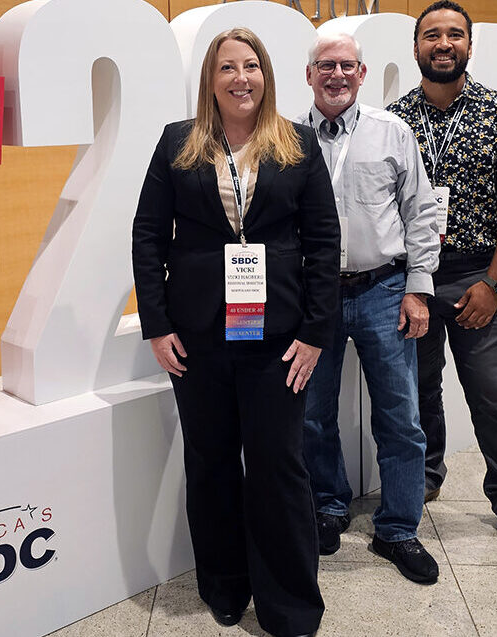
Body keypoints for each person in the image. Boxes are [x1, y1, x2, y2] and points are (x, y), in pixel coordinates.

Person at [132, 27, 339, 637]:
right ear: (210, 80)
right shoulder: (178, 143)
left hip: (278, 339)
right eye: (228, 68)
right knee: (212, 460)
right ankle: (223, 585)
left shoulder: (297, 144)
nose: (240, 78)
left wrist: (315, 332)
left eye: (251, 66)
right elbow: (147, 237)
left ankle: (290, 605)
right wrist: (157, 324)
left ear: (267, 76)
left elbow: (325, 244)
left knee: (279, 467)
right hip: (197, 336)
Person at [386, 0, 497, 559]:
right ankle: (426, 474)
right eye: (432, 35)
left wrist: (494, 282)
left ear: (470, 47)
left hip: (479, 273)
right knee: (418, 389)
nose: (443, 44)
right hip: (414, 279)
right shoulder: (394, 117)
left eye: (455, 34)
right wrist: (409, 282)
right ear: (416, 48)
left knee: (493, 394)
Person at [295, 34, 441, 584]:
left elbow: (421, 211)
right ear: (308, 75)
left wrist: (418, 287)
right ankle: (329, 506)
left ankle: (399, 528)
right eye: (325, 66)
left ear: (362, 73)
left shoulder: (392, 131)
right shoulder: (286, 137)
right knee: (312, 414)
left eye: (346, 66)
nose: (336, 75)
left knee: (400, 416)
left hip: (384, 288)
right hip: (314, 297)